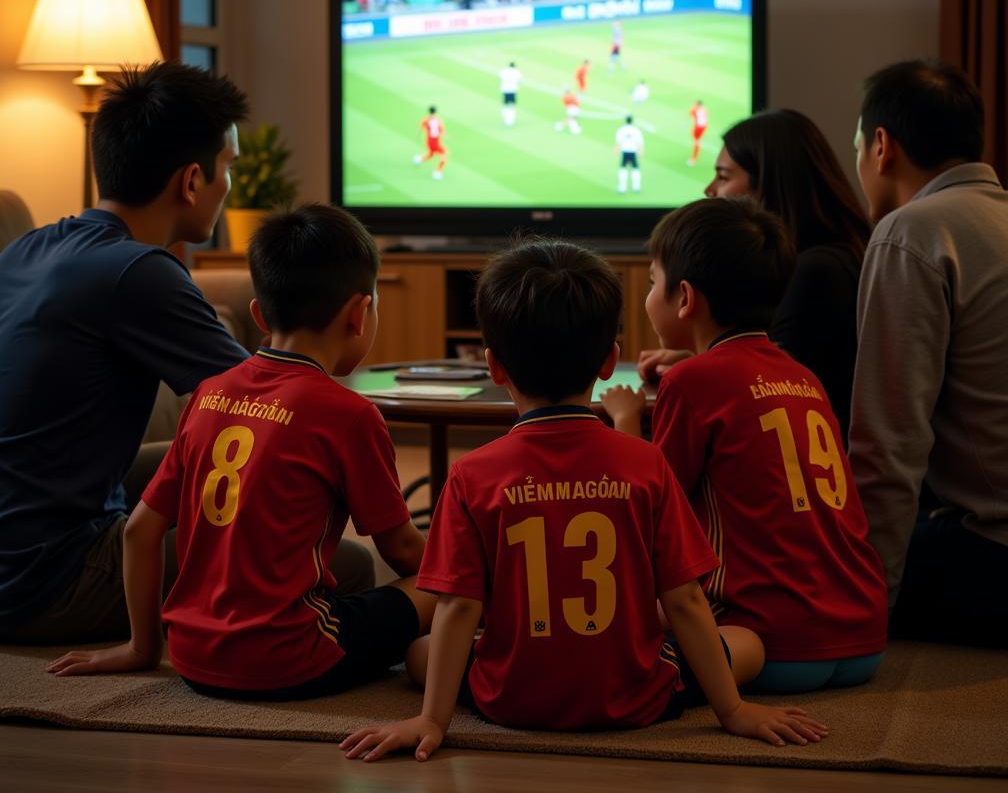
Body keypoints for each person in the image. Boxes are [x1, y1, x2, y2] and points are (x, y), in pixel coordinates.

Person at [341, 239, 827, 762]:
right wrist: (731, 711)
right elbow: (684, 600)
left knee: (420, 653)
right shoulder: (647, 464)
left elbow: (459, 606)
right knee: (748, 645)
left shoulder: (469, 474)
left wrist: (432, 719)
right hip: (637, 698)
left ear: (494, 366)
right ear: (609, 362)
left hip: (510, 699)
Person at [47, 204, 436, 696]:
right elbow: (402, 548)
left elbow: (140, 531)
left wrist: (142, 648)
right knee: (446, 586)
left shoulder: (209, 393)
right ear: (360, 315)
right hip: (290, 658)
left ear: (257, 313)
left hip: (190, 656)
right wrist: (468, 577)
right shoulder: (351, 414)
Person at [0, 62, 251, 644]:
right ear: (191, 181)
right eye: (229, 169)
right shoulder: (138, 271)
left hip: (20, 538)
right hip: (47, 579)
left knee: (183, 463)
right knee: (347, 567)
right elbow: (270, 401)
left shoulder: (27, 248)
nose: (229, 184)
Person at [603, 199, 887, 692]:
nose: (649, 294)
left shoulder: (693, 380)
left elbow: (653, 502)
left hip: (769, 646)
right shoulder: (803, 376)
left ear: (685, 297)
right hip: (865, 639)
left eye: (652, 281)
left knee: (612, 652)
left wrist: (626, 420)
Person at [850, 59, 1008, 649]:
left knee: (797, 570)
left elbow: (889, 442)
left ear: (881, 146)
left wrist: (871, 610)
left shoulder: (912, 232)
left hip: (1002, 557)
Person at [639, 108, 870, 439]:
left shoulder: (817, 270)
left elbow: (768, 389)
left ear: (769, 185)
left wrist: (699, 373)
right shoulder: (833, 256)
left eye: (723, 176)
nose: (709, 189)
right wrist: (700, 359)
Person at [414, 106, 447, 179]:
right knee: (444, 155)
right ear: (435, 112)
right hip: (435, 142)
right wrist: (445, 137)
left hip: (428, 141)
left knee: (431, 154)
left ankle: (418, 160)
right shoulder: (438, 121)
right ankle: (437, 172)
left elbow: (420, 129)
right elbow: (442, 132)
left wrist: (417, 136)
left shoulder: (426, 120)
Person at [615, 114, 644, 193]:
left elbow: (619, 141)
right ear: (632, 121)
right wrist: (640, 152)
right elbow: (640, 142)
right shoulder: (636, 130)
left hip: (625, 151)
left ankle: (622, 187)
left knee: (623, 169)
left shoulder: (622, 130)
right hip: (633, 151)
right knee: (635, 169)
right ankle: (636, 187)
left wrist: (616, 150)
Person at [498, 62, 522, 127]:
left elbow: (500, 76)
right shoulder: (516, 72)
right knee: (512, 106)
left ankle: (506, 118)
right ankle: (510, 121)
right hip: (513, 90)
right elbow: (519, 80)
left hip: (505, 90)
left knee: (505, 105)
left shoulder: (504, 70)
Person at [687, 99, 708, 166]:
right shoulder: (704, 109)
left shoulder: (695, 110)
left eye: (695, 104)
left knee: (696, 142)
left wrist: (693, 108)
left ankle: (693, 159)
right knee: (696, 138)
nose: (694, 105)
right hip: (704, 126)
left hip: (698, 128)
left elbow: (691, 114)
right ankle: (699, 143)